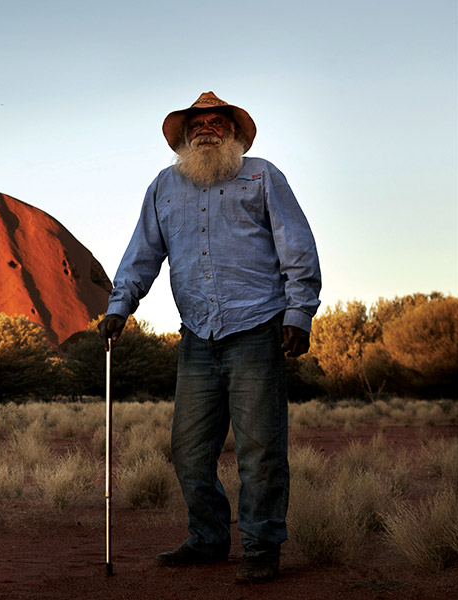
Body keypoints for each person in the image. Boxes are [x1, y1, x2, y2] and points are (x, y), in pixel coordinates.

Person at [98, 91, 321, 584]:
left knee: (260, 450)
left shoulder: (263, 175)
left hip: (257, 328)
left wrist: (299, 312)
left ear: (235, 134)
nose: (206, 130)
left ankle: (262, 547)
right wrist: (120, 305)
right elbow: (142, 252)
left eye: (218, 123)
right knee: (189, 449)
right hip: (197, 336)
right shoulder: (164, 187)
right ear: (182, 136)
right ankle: (208, 538)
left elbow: (296, 245)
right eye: (197, 124)